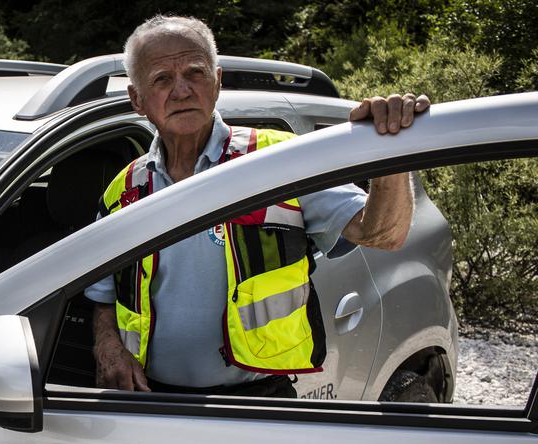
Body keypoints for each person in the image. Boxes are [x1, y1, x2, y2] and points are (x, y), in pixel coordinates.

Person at [86, 14, 429, 398]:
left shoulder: (278, 160)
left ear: (217, 82)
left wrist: (392, 153)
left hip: (258, 401)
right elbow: (101, 296)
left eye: (195, 73)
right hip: (151, 399)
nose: (181, 90)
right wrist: (109, 347)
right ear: (137, 99)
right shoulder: (125, 189)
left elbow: (383, 233)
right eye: (162, 79)